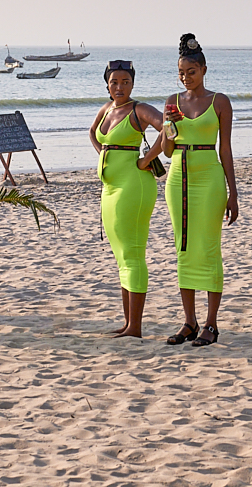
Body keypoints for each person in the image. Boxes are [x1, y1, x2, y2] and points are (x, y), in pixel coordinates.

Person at [163, 34, 239, 347]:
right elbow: (168, 150)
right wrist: (169, 125)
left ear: (204, 69)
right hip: (178, 175)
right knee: (183, 248)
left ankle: (211, 323)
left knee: (208, 248)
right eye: (181, 73)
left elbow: (226, 149)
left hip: (209, 177)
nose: (185, 78)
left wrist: (232, 191)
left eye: (191, 72)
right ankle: (189, 322)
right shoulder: (172, 101)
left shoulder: (219, 102)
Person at [88, 60, 165, 338]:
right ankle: (128, 322)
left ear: (132, 84)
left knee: (132, 255)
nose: (119, 87)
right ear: (107, 84)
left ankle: (136, 327)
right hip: (109, 188)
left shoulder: (139, 109)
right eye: (114, 82)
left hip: (133, 187)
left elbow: (167, 128)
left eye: (125, 82)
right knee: (121, 256)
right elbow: (92, 132)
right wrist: (103, 155)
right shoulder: (107, 109)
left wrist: (147, 158)